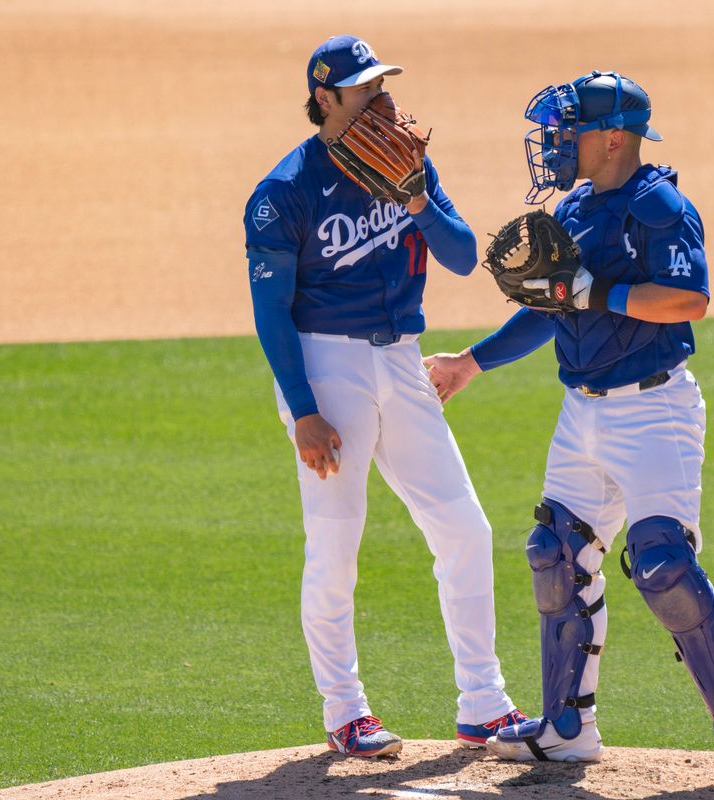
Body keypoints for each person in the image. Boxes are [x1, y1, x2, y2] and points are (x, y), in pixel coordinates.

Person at [422, 71, 714, 781]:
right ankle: (566, 729)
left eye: (569, 127)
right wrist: (472, 363)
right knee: (555, 555)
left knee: (662, 564)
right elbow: (551, 305)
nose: (554, 141)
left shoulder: (660, 207)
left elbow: (688, 300)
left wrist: (598, 291)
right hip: (579, 410)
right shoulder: (577, 206)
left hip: (654, 412)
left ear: (612, 138)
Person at [243, 34, 524, 759]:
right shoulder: (283, 193)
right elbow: (271, 313)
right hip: (325, 366)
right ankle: (345, 710)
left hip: (401, 363)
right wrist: (303, 408)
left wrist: (418, 197)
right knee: (336, 543)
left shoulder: (407, 163)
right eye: (363, 87)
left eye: (380, 84)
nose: (380, 98)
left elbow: (464, 257)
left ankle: (484, 705)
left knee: (464, 528)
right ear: (326, 98)